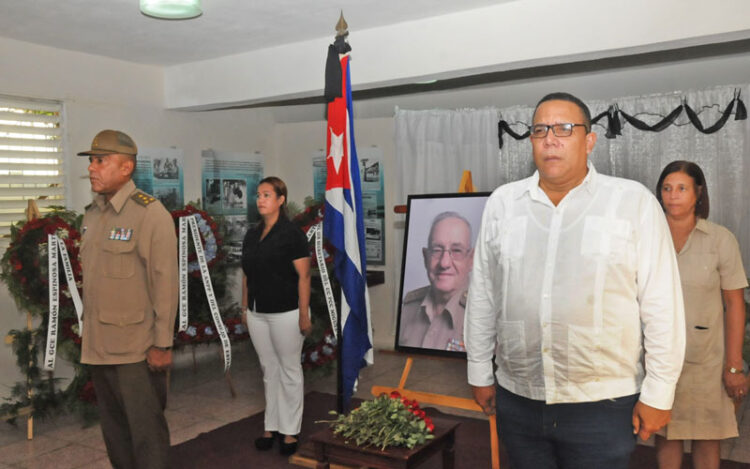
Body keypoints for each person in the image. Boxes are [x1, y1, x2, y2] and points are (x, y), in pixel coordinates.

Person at [465, 92, 686, 469]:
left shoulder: (631, 202)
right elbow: (484, 295)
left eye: (564, 128)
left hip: (602, 403)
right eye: (540, 130)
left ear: (589, 141)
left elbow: (662, 306)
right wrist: (479, 370)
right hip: (519, 397)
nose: (550, 139)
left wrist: (659, 393)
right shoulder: (503, 204)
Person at [77, 129, 178, 469]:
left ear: (126, 167)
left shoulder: (150, 214)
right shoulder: (93, 214)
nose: (92, 167)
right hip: (99, 344)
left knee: (146, 434)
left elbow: (165, 283)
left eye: (100, 160)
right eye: (91, 161)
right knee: (115, 433)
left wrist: (162, 343)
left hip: (137, 349)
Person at [654, 161, 748, 469]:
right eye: (667, 188)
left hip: (708, 358)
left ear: (698, 193)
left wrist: (734, 366)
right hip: (658, 356)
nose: (673, 195)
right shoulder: (648, 238)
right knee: (666, 434)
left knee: (708, 437)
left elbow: (735, 304)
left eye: (682, 188)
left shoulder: (720, 239)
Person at [241, 176, 311, 456]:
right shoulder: (251, 234)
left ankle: (290, 430)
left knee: (289, 370)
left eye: (267, 195)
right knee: (269, 370)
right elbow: (247, 275)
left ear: (281, 200)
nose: (260, 200)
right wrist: (245, 308)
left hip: (287, 312)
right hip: (257, 312)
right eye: (258, 195)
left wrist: (303, 314)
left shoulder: (292, 234)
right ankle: (271, 427)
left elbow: (304, 276)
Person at [399, 211, 473, 351]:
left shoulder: (487, 315)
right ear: (425, 257)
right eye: (437, 250)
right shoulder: (408, 308)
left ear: (471, 259)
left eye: (457, 251)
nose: (444, 263)